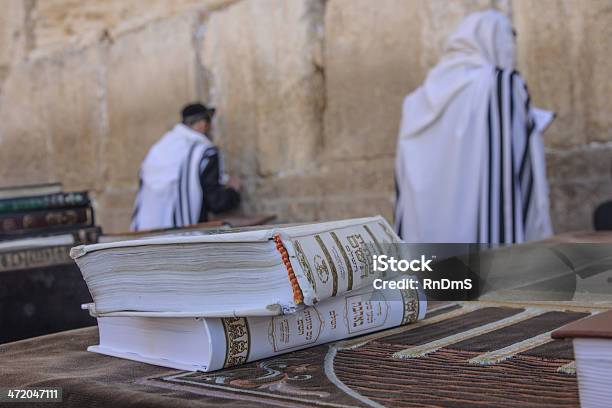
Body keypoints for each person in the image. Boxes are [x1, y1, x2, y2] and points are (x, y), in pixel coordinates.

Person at [394, 10, 553, 244]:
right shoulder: (499, 86)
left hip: (427, 237)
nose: (511, 50)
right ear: (490, 39)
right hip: (483, 239)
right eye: (508, 39)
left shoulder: (417, 100)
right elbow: (515, 150)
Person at [131, 103, 241, 231]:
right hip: (184, 235)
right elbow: (215, 202)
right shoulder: (204, 152)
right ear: (202, 124)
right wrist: (233, 191)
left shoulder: (158, 149)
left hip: (147, 234)